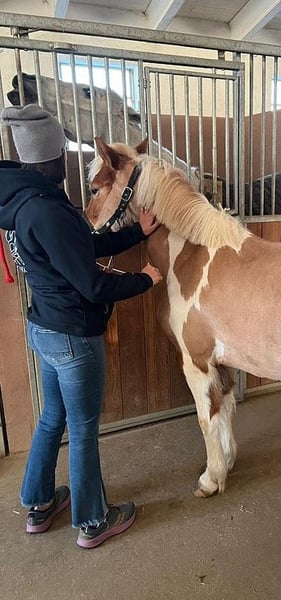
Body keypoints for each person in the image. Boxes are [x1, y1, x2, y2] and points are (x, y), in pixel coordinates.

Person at [0, 104, 162, 549]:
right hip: (72, 335)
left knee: (52, 417)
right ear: (53, 159)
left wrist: (136, 233)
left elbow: (80, 247)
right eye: (63, 153)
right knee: (84, 429)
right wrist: (144, 280)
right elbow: (92, 283)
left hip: (45, 327)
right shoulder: (47, 210)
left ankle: (39, 503)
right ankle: (94, 520)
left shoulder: (21, 203)